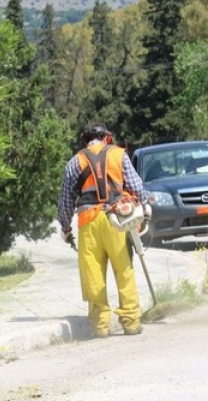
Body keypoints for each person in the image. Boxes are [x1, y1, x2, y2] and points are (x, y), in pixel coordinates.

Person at [57, 123, 151, 337]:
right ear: (107, 138)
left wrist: (65, 228)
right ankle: (131, 322)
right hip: (116, 218)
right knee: (124, 269)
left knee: (93, 276)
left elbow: (65, 200)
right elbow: (136, 185)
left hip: (88, 222)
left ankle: (100, 327)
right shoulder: (119, 155)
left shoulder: (75, 162)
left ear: (84, 141)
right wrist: (145, 206)